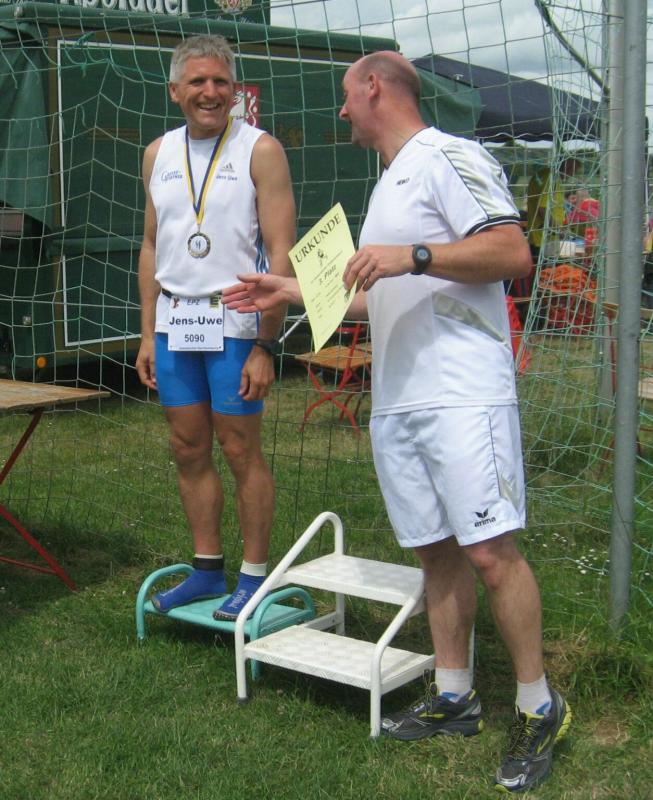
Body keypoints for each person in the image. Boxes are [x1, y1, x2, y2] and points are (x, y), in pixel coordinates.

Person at [223, 52, 571, 793]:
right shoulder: (386, 183)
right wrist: (287, 289)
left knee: (489, 551)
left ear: (374, 87)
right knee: (434, 550)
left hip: (462, 393)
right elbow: (376, 295)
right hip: (399, 399)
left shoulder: (448, 155)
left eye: (346, 96)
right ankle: (454, 693)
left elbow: (511, 251)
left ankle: (539, 704)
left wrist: (411, 254)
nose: (341, 111)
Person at [135, 35, 296, 620]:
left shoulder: (260, 149)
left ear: (235, 90)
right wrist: (147, 333)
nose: (210, 92)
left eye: (221, 82)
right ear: (175, 90)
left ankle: (254, 574)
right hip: (176, 322)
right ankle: (207, 570)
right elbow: (151, 245)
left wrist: (265, 344)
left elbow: (282, 252)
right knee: (187, 447)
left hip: (236, 324)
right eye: (198, 82)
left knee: (239, 447)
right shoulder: (157, 153)